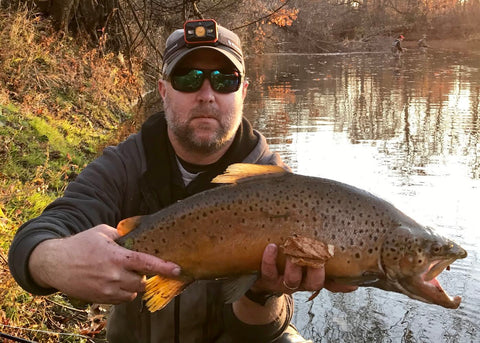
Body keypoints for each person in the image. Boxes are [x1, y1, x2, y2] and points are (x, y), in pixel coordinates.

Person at [8, 20, 356, 342]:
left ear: (244, 91)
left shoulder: (272, 182)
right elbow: (36, 237)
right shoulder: (126, 165)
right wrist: (53, 260)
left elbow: (258, 334)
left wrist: (262, 290)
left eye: (225, 80)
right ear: (162, 90)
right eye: (188, 79)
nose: (206, 94)